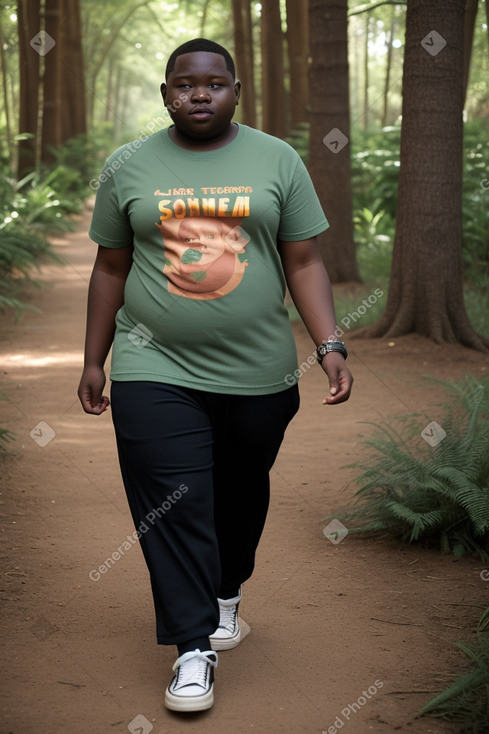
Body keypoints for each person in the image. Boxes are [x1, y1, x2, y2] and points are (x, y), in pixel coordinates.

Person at [78, 37, 353, 713]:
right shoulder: (130, 165)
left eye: (213, 83)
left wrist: (329, 342)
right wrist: (94, 357)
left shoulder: (275, 158)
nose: (197, 94)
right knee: (173, 501)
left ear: (235, 90)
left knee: (237, 492)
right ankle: (192, 648)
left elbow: (304, 261)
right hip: (153, 364)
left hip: (258, 372)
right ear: (166, 93)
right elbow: (110, 267)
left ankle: (227, 590)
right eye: (183, 84)